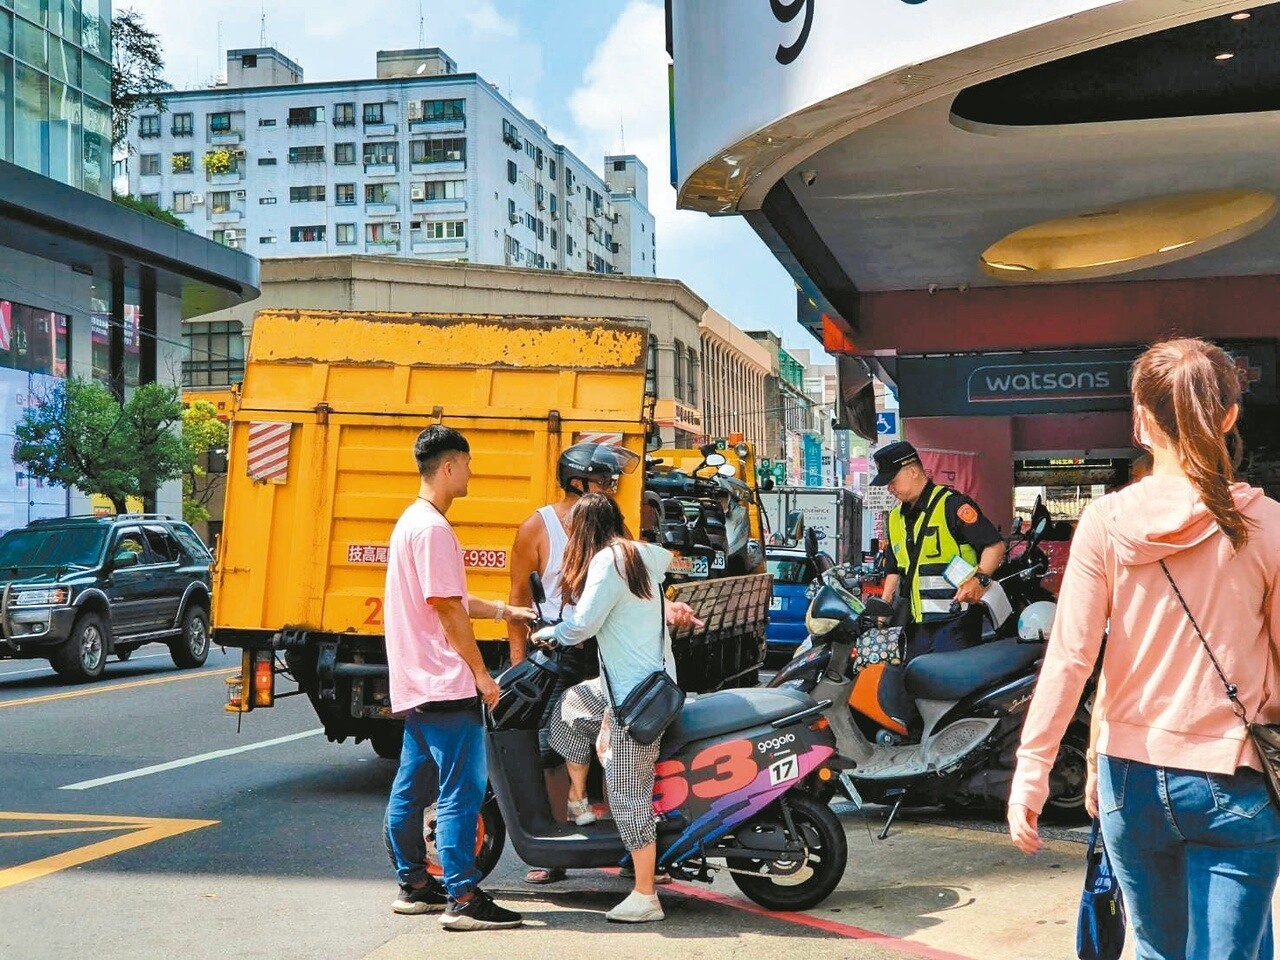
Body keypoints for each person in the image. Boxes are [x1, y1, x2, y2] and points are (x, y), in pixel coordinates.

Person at [1008, 338, 1280, 960]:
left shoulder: (1106, 523)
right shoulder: (1266, 526)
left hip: (1129, 776)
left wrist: (1033, 772)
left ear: (1139, 420)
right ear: (1231, 417)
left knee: (1158, 951)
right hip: (1235, 774)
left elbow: (1072, 657)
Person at [508, 442, 701, 885]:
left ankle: (629, 850)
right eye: (603, 482)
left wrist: (668, 609)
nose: (611, 489)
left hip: (606, 649)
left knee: (621, 751)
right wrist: (520, 666)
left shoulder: (607, 527)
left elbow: (636, 586)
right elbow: (518, 601)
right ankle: (556, 849)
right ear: (578, 482)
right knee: (553, 749)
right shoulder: (537, 529)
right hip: (559, 651)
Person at [383, 424, 535, 930]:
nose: (472, 473)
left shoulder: (411, 521)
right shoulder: (432, 529)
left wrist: (504, 609)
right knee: (459, 794)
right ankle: (464, 898)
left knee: (411, 790)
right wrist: (483, 677)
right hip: (445, 681)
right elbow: (448, 609)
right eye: (468, 464)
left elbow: (452, 599)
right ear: (449, 466)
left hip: (417, 683)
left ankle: (413, 884)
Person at [533, 493, 675, 924]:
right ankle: (578, 800)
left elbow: (582, 626)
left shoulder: (606, 562)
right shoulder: (641, 555)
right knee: (572, 707)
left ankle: (646, 894)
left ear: (584, 531)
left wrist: (548, 632)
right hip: (645, 682)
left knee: (627, 795)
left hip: (634, 698)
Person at [873, 440, 1006, 658]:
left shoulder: (952, 505)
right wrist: (882, 610)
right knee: (916, 683)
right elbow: (893, 569)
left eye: (893, 481)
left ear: (913, 471)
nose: (890, 489)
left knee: (950, 686)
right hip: (915, 624)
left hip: (955, 623)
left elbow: (994, 545)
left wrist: (979, 579)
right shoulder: (895, 518)